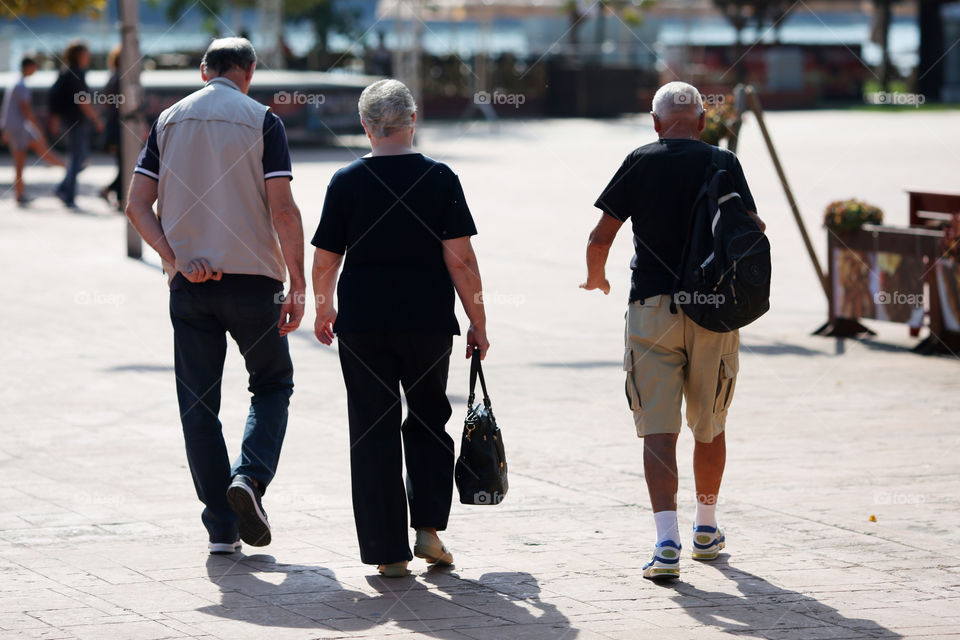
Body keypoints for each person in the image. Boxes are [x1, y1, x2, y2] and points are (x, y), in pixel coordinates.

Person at [124, 37, 306, 555]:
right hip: (256, 284)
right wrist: (298, 283)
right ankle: (249, 478)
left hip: (191, 286)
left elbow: (137, 205)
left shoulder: (167, 121)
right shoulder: (262, 120)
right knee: (272, 385)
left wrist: (175, 257)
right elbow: (284, 210)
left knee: (198, 405)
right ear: (249, 71)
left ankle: (221, 529)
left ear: (204, 71)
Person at [581, 81, 765, 581]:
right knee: (710, 423)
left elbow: (602, 236)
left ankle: (666, 544)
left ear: (656, 122)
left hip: (652, 310)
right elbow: (754, 229)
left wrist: (597, 277)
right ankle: (706, 527)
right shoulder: (723, 163)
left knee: (658, 431)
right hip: (713, 311)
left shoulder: (640, 159)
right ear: (703, 123)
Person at [311, 79, 489, 578]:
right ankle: (428, 529)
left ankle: (388, 552)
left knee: (372, 429)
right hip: (428, 323)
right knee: (430, 418)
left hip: (363, 325)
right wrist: (477, 321)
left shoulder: (346, 181)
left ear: (366, 126)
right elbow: (462, 260)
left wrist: (324, 310)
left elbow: (326, 260)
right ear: (413, 120)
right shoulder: (439, 178)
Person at [0, 55, 65, 206]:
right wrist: (38, 128)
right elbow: (26, 111)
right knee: (26, 158)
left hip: (14, 127)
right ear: (28, 66)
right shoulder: (21, 85)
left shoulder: (16, 83)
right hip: (19, 127)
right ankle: (67, 167)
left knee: (28, 157)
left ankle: (20, 193)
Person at [51, 40, 104, 209]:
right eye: (85, 53)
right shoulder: (76, 73)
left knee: (79, 158)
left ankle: (63, 189)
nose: (88, 56)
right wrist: (96, 119)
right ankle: (68, 195)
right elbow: (83, 101)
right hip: (76, 122)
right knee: (78, 159)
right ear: (79, 55)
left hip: (70, 120)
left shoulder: (66, 71)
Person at [100, 44, 123, 208]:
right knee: (126, 163)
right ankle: (118, 196)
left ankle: (111, 191)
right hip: (119, 128)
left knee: (124, 164)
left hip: (115, 127)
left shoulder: (114, 77)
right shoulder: (120, 79)